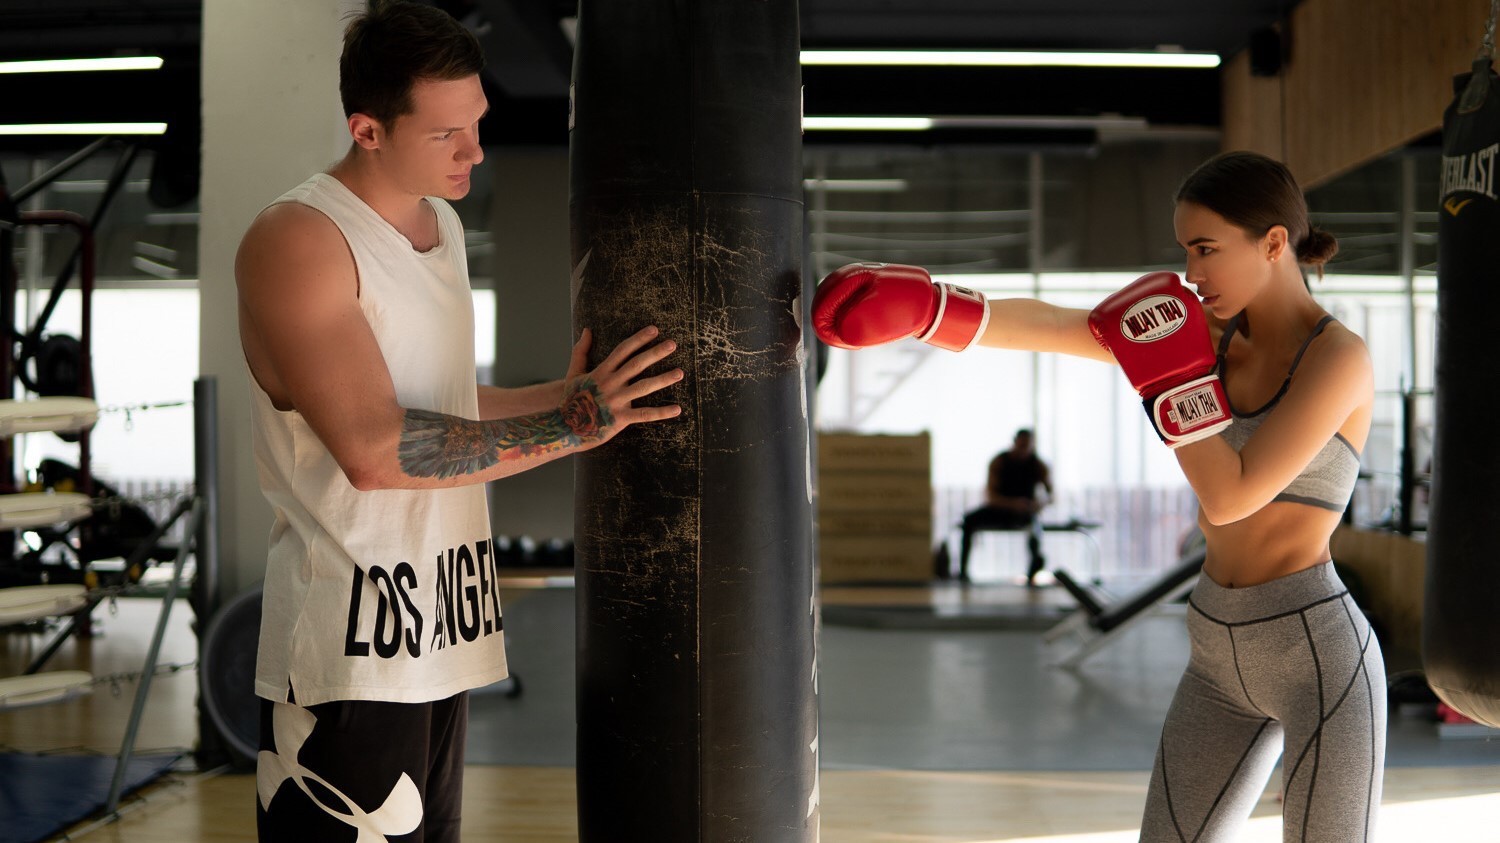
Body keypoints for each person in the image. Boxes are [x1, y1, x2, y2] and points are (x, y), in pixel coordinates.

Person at [813, 150, 1383, 841]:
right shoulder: (1206, 336)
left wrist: (1172, 383)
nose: (1192, 274)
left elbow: (1231, 496)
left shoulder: (1337, 357)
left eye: (1206, 249)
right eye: (1185, 251)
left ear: (1272, 243)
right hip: (1214, 650)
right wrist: (932, 308)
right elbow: (1059, 325)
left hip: (1314, 650)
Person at [234, 4, 682, 841]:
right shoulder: (300, 238)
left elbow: (437, 407)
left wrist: (565, 395)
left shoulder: (437, 222)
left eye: (478, 122)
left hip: (439, 624)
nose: (475, 150)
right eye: (446, 134)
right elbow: (375, 450)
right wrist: (578, 424)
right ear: (367, 129)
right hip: (350, 650)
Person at [957, 428, 1053, 585]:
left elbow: (1051, 495)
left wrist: (1038, 504)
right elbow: (991, 497)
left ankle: (1034, 566)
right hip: (999, 508)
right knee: (968, 520)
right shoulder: (999, 462)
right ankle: (963, 572)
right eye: (1021, 445)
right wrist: (1013, 504)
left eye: (1027, 446)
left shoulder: (1038, 465)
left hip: (1024, 512)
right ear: (1014, 443)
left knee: (1033, 525)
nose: (1023, 450)